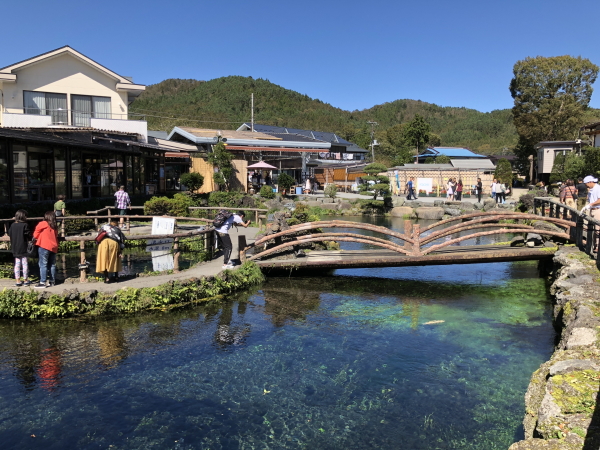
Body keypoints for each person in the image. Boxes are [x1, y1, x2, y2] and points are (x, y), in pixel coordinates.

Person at [33, 211, 59, 289]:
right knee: (52, 264)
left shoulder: (43, 223)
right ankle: (52, 281)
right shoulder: (54, 225)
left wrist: (36, 237)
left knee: (43, 264)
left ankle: (43, 282)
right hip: (53, 246)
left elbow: (36, 233)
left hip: (44, 245)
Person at [96, 218, 126, 283]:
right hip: (114, 243)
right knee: (115, 259)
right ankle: (116, 277)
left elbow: (97, 236)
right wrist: (120, 251)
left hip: (103, 243)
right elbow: (121, 240)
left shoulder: (103, 227)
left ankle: (107, 278)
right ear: (117, 222)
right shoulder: (117, 229)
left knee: (104, 260)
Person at [8, 210, 30, 287]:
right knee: (24, 264)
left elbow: (9, 233)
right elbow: (27, 234)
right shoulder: (25, 225)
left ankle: (18, 280)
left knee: (17, 264)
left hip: (15, 247)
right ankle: (26, 280)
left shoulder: (13, 225)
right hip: (23, 247)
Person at [581, 176, 600, 251]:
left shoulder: (598, 188)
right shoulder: (591, 189)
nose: (586, 185)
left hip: (598, 209)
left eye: (586, 184)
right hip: (592, 209)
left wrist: (590, 205)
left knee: (597, 229)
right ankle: (594, 245)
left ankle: (598, 246)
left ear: (590, 182)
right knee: (592, 228)